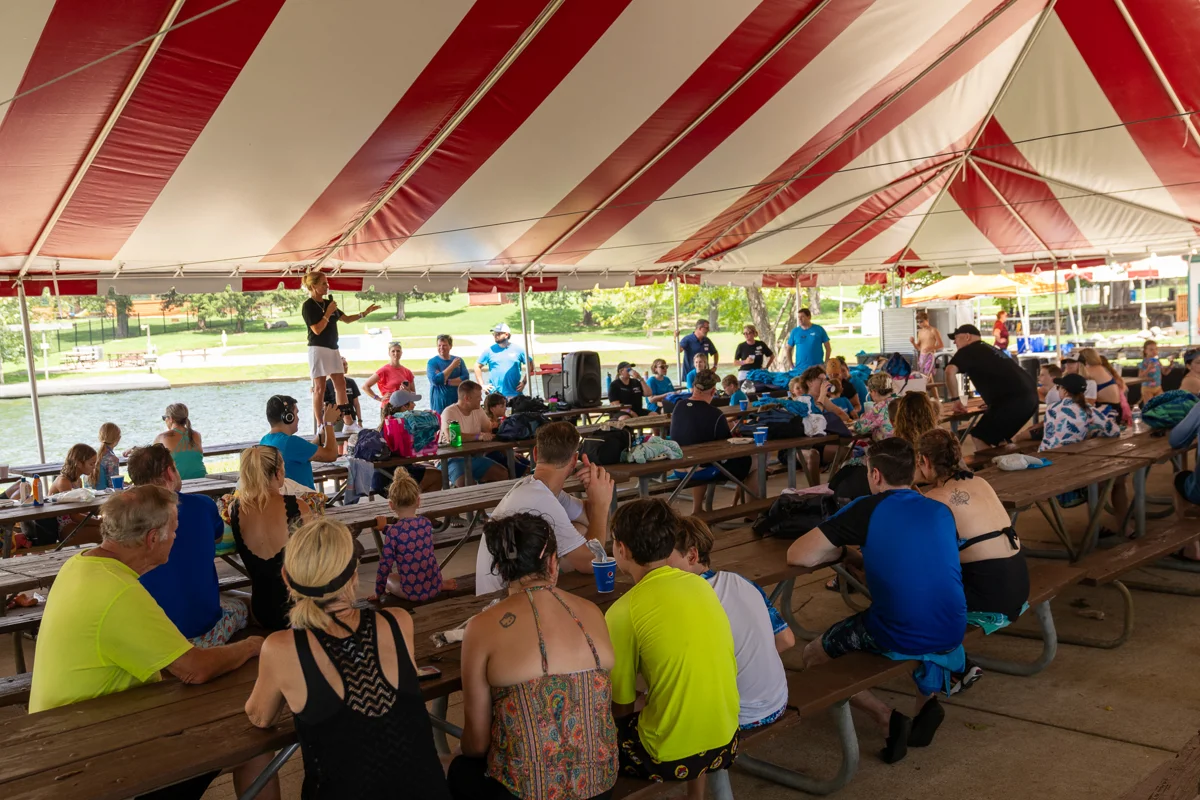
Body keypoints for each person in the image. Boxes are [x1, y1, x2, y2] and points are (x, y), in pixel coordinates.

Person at [32, 485, 267, 799]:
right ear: (153, 538)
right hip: (89, 761)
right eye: (174, 530)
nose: (176, 537)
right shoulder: (119, 592)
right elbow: (194, 669)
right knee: (250, 742)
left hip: (63, 737)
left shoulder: (79, 565)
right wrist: (251, 646)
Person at [788, 438, 967, 764]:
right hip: (953, 626)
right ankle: (926, 704)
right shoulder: (940, 509)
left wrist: (842, 551)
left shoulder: (867, 508)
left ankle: (885, 717)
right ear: (913, 471)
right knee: (920, 619)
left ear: (875, 475)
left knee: (813, 655)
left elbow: (798, 555)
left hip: (898, 630)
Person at [245, 518, 451, 800]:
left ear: (285, 577)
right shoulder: (399, 621)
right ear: (354, 576)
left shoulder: (280, 647)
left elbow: (260, 716)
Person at [450, 513, 618, 800]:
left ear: (500, 568)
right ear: (552, 562)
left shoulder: (481, 627)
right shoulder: (591, 611)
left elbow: (476, 744)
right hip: (600, 787)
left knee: (458, 768)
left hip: (523, 794)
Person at [606, 499, 739, 799]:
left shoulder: (622, 612)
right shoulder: (701, 585)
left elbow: (621, 706)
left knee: (592, 737)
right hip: (726, 741)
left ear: (621, 549)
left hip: (667, 757)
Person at [670, 517, 792, 730]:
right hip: (778, 700)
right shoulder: (739, 581)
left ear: (692, 555)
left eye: (663, 557)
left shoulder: (685, 598)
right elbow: (786, 639)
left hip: (738, 716)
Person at [127, 444, 248, 647]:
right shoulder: (203, 505)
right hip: (202, 634)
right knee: (244, 604)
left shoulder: (126, 520)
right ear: (169, 472)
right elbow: (218, 538)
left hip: (150, 640)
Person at [478, 422, 615, 594]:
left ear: (535, 453)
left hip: (507, 587)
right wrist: (601, 504)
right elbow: (592, 559)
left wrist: (594, 492)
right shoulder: (541, 500)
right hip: (501, 596)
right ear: (574, 460)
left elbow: (587, 519)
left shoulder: (537, 488)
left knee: (579, 529)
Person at [917, 430, 1030, 632]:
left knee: (915, 582)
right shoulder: (980, 482)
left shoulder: (935, 498)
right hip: (1020, 584)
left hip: (991, 597)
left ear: (924, 460)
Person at [220, 445, 322, 631]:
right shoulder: (298, 506)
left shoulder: (234, 509)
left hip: (261, 610)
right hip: (298, 611)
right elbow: (317, 560)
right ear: (278, 473)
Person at [301, 271, 381, 429]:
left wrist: (364, 313)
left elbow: (347, 319)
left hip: (333, 348)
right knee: (320, 388)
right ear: (313, 286)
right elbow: (317, 330)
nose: (327, 286)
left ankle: (347, 421)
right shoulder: (308, 305)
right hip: (318, 348)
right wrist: (327, 313)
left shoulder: (329, 303)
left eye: (327, 283)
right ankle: (320, 424)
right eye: (323, 283)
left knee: (340, 384)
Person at [669, 369, 752, 515]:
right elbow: (727, 446)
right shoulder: (715, 414)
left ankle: (697, 509)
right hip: (703, 470)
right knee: (755, 463)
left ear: (694, 386)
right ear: (713, 391)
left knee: (700, 456)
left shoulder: (679, 406)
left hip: (678, 468)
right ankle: (753, 513)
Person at [944, 324, 1038, 450]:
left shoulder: (968, 350)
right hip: (1030, 398)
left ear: (967, 337)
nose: (954, 342)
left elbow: (949, 371)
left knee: (979, 436)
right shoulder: (991, 349)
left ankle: (990, 463)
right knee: (998, 438)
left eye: (956, 338)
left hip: (1012, 401)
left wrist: (956, 400)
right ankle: (1007, 460)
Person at [371, 471, 455, 602]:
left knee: (389, 577)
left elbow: (385, 565)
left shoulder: (394, 533)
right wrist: (385, 529)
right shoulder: (426, 524)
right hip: (434, 586)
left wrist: (378, 592)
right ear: (418, 501)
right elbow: (409, 534)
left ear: (391, 505)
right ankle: (441, 584)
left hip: (412, 593)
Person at [260, 395, 340, 489]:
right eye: (296, 413)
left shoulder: (265, 440)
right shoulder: (290, 442)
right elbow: (331, 455)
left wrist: (324, 428)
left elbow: (306, 451)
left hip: (284, 496)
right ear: (288, 417)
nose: (298, 418)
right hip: (302, 497)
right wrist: (328, 424)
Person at [440, 381, 510, 487]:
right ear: (467, 398)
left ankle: (486, 496)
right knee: (466, 483)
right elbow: (452, 437)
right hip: (451, 459)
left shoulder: (478, 410)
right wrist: (478, 436)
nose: (481, 399)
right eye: (478, 397)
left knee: (502, 474)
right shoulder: (449, 412)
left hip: (473, 457)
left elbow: (488, 429)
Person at [377, 390, 443, 493]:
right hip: (392, 477)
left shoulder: (389, 423)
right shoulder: (400, 426)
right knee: (438, 476)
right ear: (404, 407)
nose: (414, 405)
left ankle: (416, 499)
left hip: (382, 474)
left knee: (431, 466)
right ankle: (414, 499)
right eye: (412, 402)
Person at [1039, 373, 1121, 451]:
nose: (1058, 390)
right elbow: (1115, 431)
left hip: (1044, 454)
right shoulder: (1088, 409)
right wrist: (1093, 432)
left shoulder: (1051, 407)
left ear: (1064, 391)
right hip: (1069, 456)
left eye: (1058, 387)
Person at [50, 443, 101, 545]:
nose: (94, 467)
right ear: (78, 463)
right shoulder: (64, 482)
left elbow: (80, 509)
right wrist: (99, 522)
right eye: (91, 464)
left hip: (75, 523)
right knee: (109, 532)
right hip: (64, 528)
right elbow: (74, 515)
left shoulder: (77, 480)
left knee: (112, 528)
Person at [153, 402, 207, 480]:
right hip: (202, 478)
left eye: (164, 418)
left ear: (171, 419)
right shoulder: (197, 435)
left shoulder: (162, 437)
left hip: (179, 482)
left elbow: (150, 458)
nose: (165, 420)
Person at [476, 322, 528, 398]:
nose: (495, 336)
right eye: (494, 334)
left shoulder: (518, 350)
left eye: (498, 334)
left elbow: (530, 365)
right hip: (495, 394)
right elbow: (477, 366)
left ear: (506, 335)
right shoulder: (489, 350)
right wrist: (482, 385)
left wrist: (524, 382)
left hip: (514, 393)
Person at [363, 340, 416, 407]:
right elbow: (365, 386)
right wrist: (379, 398)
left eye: (398, 351)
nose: (396, 353)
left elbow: (414, 395)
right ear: (389, 353)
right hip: (388, 408)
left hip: (404, 408)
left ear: (401, 353)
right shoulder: (383, 371)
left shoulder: (407, 372)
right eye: (393, 351)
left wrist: (408, 391)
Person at [1077, 347, 1124, 420]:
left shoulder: (1090, 370)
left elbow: (1076, 382)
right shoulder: (1101, 368)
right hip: (1115, 408)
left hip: (1108, 411)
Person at [427, 334, 470, 413]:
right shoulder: (432, 362)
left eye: (444, 345)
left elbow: (465, 379)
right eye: (439, 345)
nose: (441, 348)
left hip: (457, 404)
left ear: (450, 346)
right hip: (439, 406)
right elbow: (435, 381)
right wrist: (452, 366)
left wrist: (446, 380)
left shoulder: (458, 360)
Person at [785, 307, 831, 372]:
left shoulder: (819, 329)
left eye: (802, 317)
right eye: (799, 317)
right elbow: (788, 349)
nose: (800, 319)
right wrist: (791, 365)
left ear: (809, 317)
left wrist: (826, 363)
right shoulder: (795, 332)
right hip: (800, 368)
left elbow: (828, 348)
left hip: (817, 368)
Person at [322, 356, 362, 428]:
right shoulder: (327, 384)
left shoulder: (351, 382)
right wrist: (326, 423)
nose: (346, 367)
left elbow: (356, 404)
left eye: (346, 364)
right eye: (343, 365)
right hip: (336, 420)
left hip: (351, 418)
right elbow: (325, 406)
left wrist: (359, 420)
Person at [910, 311, 944, 376]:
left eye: (921, 321)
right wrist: (913, 342)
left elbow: (941, 345)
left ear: (927, 320)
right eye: (918, 322)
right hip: (922, 357)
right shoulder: (920, 332)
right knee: (924, 377)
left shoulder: (933, 330)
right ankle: (931, 383)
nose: (919, 324)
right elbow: (918, 348)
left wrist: (932, 348)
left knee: (927, 376)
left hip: (930, 356)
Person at [93, 422, 121, 490]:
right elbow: (114, 485)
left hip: (91, 493)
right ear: (118, 438)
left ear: (100, 437)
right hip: (104, 494)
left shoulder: (93, 455)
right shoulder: (112, 459)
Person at [1138, 340, 1168, 404]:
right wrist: (1148, 369)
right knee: (1150, 406)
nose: (1154, 351)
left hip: (1158, 387)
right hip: (1147, 388)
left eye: (1156, 349)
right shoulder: (1144, 362)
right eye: (1151, 350)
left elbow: (1165, 372)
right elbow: (1140, 376)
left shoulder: (1157, 361)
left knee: (1161, 404)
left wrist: (1170, 365)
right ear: (1145, 351)